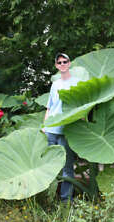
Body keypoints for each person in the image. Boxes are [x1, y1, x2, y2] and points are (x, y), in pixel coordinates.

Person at [43, 53, 80, 202]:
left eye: (65, 61)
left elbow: (81, 105)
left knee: (67, 168)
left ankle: (66, 201)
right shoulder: (55, 84)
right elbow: (49, 107)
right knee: (49, 166)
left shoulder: (76, 82)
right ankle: (50, 198)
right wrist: (44, 126)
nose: (63, 64)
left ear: (69, 63)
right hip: (51, 130)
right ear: (57, 66)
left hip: (66, 131)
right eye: (60, 62)